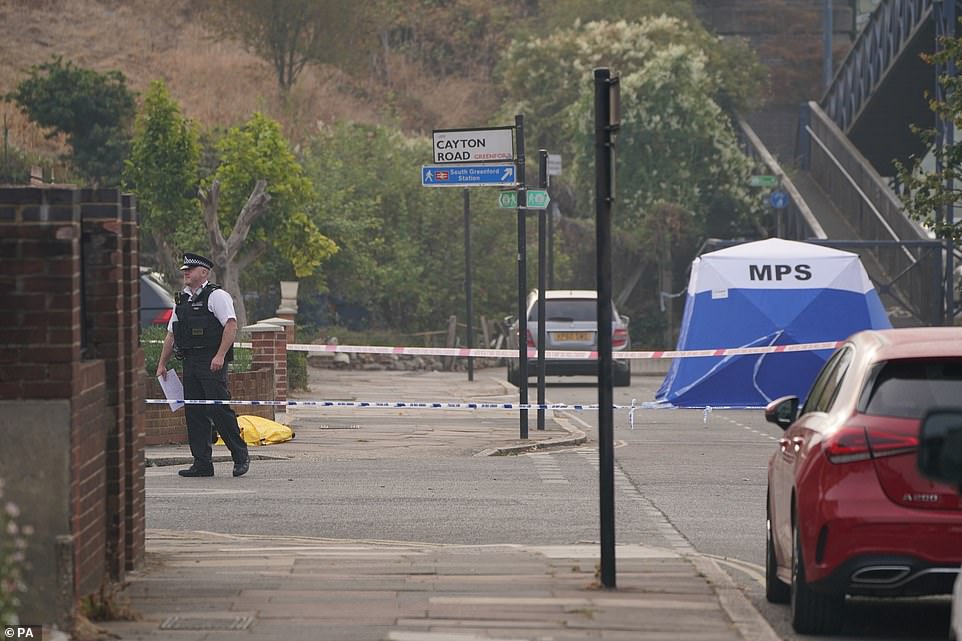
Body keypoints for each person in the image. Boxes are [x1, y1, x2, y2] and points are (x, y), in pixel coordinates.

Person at [156, 253, 250, 477]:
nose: (185, 273)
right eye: (184, 270)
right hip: (190, 361)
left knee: (218, 409)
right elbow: (171, 334)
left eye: (190, 269)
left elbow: (230, 325)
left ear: (204, 273)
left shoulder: (217, 296)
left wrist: (219, 355)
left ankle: (240, 456)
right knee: (195, 413)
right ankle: (202, 464)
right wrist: (162, 364)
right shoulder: (182, 300)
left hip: (212, 362)